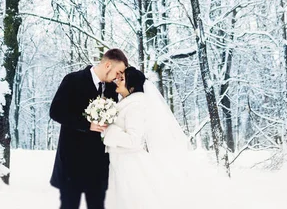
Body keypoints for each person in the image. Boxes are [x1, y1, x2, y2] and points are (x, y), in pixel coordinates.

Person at [50, 48, 128, 209]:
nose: (119, 77)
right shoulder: (72, 80)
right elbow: (56, 111)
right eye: (118, 72)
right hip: (72, 162)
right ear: (108, 65)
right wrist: (87, 125)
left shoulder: (113, 90)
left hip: (98, 165)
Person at [103, 67, 190, 209]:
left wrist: (108, 130)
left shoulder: (135, 106)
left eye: (122, 79)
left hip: (129, 165)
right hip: (120, 162)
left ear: (131, 87)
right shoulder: (127, 103)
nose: (117, 80)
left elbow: (133, 140)